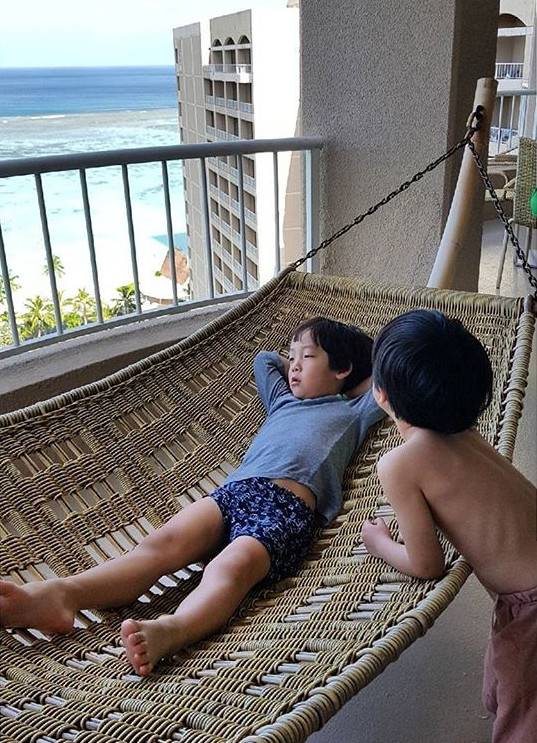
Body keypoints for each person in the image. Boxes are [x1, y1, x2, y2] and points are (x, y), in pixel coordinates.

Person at [0, 316, 384, 676]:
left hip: (284, 510)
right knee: (158, 546)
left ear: (342, 369)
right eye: (293, 354)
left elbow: (388, 377)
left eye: (308, 357)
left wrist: (353, 381)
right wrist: (304, 363)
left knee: (229, 568)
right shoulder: (282, 401)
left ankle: (173, 628)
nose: (294, 365)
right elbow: (264, 361)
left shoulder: (354, 411)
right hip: (235, 492)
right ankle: (62, 595)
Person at [361, 309, 537, 743]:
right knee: (508, 682)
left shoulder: (399, 463)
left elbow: (427, 564)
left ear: (381, 394)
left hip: (531, 605)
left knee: (523, 713)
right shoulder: (466, 432)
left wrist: (380, 543)